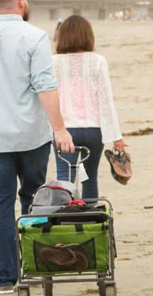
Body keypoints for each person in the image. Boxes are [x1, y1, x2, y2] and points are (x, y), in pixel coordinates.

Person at [0, 0, 74, 294]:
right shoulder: (34, 36)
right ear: (21, 1)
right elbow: (44, 86)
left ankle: (6, 278)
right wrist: (60, 128)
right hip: (31, 136)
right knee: (34, 199)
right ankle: (36, 261)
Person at [51, 15, 126, 201]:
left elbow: (49, 98)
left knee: (65, 179)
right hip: (93, 130)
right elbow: (106, 100)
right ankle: (89, 220)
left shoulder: (53, 62)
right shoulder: (98, 61)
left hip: (64, 130)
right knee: (89, 178)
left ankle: (66, 219)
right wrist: (116, 136)